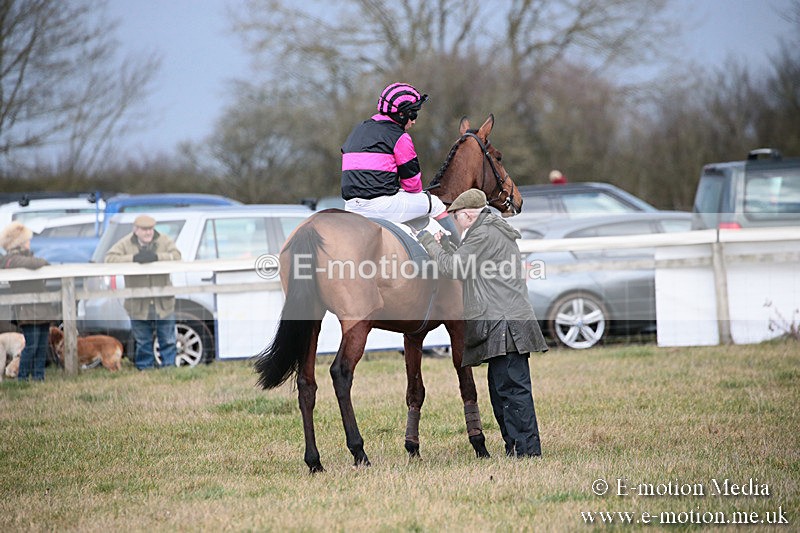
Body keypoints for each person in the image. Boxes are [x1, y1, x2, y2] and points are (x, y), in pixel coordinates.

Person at [417, 189, 548, 457]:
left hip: (505, 323)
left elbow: (454, 268)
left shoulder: (483, 233)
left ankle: (527, 452)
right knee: (502, 391)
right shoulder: (488, 230)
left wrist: (428, 241)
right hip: (504, 321)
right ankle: (516, 448)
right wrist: (446, 247)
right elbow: (469, 263)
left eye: (455, 219)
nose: (454, 224)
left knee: (511, 391)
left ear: (466, 214)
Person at [341, 82, 460, 243]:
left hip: (350, 207)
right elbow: (413, 187)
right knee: (435, 203)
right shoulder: (399, 137)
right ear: (402, 114)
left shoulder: (358, 129)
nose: (414, 121)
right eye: (413, 115)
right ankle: (459, 253)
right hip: (381, 206)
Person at [105, 215, 182, 370]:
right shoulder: (125, 243)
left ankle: (169, 369)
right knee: (143, 341)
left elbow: (177, 256)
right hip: (138, 304)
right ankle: (145, 370)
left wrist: (156, 257)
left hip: (163, 302)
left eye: (150, 229)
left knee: (168, 339)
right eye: (144, 229)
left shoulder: (164, 240)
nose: (148, 233)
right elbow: (109, 259)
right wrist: (134, 259)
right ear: (136, 230)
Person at [0, 222, 58, 381]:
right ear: (18, 242)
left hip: (42, 307)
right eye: (26, 240)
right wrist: (41, 263)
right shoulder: (9, 260)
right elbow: (35, 264)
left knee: (41, 345)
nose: (29, 242)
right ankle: (23, 377)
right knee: (31, 345)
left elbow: (39, 263)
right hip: (26, 309)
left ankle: (39, 376)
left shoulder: (26, 256)